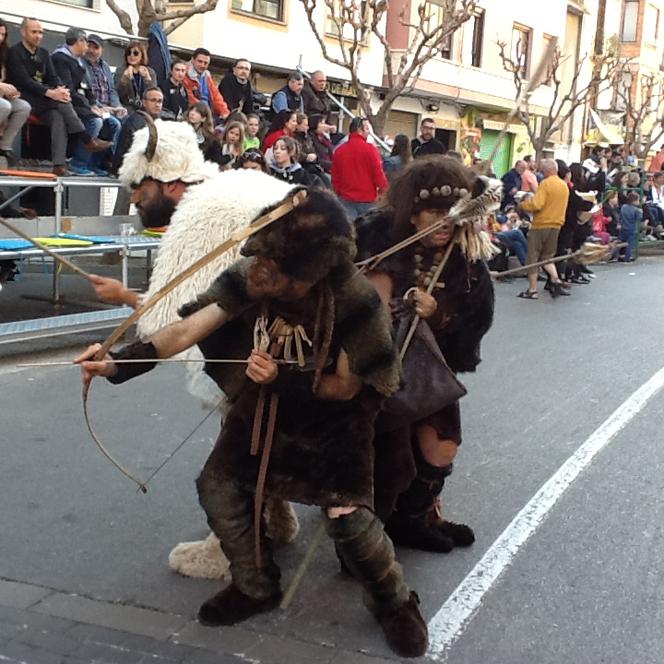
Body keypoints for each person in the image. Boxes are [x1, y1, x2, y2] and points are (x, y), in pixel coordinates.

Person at [77, 160, 428, 658]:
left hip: (334, 421)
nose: (262, 272)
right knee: (218, 487)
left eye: (277, 267)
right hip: (263, 405)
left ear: (314, 269)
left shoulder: (354, 299)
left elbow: (347, 388)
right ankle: (255, 584)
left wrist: (283, 377)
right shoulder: (255, 273)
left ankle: (394, 603)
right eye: (261, 258)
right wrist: (116, 362)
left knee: (347, 518)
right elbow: (187, 329)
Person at [88, 121, 301, 583]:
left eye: (140, 187)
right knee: (258, 429)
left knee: (235, 449)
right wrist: (127, 297)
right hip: (286, 338)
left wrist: (117, 353)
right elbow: (201, 300)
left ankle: (232, 549)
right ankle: (276, 519)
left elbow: (174, 321)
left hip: (266, 347)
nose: (135, 198)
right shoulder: (237, 186)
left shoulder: (202, 211)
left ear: (167, 179)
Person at [355, 155, 496, 552]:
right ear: (413, 214)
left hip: (430, 372)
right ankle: (363, 536)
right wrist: (394, 309)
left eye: (453, 212)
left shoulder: (465, 261)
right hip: (379, 375)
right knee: (389, 459)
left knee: (442, 447)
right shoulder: (378, 242)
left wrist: (439, 315)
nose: (445, 221)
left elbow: (474, 321)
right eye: (435, 212)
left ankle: (412, 519)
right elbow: (355, 307)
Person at [52, 27, 119, 176]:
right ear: (79, 42)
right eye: (87, 44)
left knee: (114, 123)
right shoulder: (60, 58)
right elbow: (69, 89)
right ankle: (78, 163)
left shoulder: (79, 61)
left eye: (94, 46)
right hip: (69, 104)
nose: (88, 48)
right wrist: (90, 107)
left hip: (86, 104)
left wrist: (95, 105)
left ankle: (93, 164)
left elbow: (86, 88)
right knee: (96, 121)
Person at [517, 158, 570, 299]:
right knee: (547, 257)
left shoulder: (546, 184)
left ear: (547, 170)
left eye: (542, 170)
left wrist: (523, 204)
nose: (541, 172)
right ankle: (556, 280)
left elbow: (537, 204)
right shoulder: (563, 185)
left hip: (541, 224)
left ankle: (532, 290)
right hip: (556, 224)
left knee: (533, 258)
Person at [332, 116, 388, 220]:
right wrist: (383, 191)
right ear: (359, 130)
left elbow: (335, 177)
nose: (369, 132)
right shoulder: (371, 150)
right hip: (367, 199)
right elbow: (378, 174)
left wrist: (339, 192)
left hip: (346, 198)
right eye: (367, 128)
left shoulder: (339, 151)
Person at [0, 18, 31, 165]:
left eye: (3, 35)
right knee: (4, 106)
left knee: (23, 106)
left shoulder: (4, 53)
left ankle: (4, 147)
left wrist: (11, 90)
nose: (0, 38)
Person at [183, 48, 229, 121]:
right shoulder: (184, 74)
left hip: (209, 113)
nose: (202, 65)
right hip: (194, 112)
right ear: (192, 60)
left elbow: (216, 96)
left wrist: (225, 112)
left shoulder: (207, 76)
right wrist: (206, 112)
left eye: (205, 63)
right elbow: (190, 98)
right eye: (200, 61)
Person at [114, 41, 157, 112]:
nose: (132, 56)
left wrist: (147, 79)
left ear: (142, 56)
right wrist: (124, 81)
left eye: (135, 53)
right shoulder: (120, 71)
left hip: (146, 108)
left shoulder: (150, 72)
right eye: (129, 53)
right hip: (127, 108)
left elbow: (154, 95)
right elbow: (118, 95)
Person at [187, 101, 224, 168]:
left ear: (203, 118)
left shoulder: (210, 139)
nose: (192, 113)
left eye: (197, 112)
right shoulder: (180, 129)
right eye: (192, 110)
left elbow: (217, 159)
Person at [618, 192, 641, 262]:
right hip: (632, 228)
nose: (639, 202)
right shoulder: (636, 210)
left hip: (623, 227)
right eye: (638, 200)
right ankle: (627, 257)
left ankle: (616, 255)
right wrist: (641, 213)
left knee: (620, 241)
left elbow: (620, 217)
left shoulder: (623, 207)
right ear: (634, 201)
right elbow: (638, 219)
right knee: (630, 244)